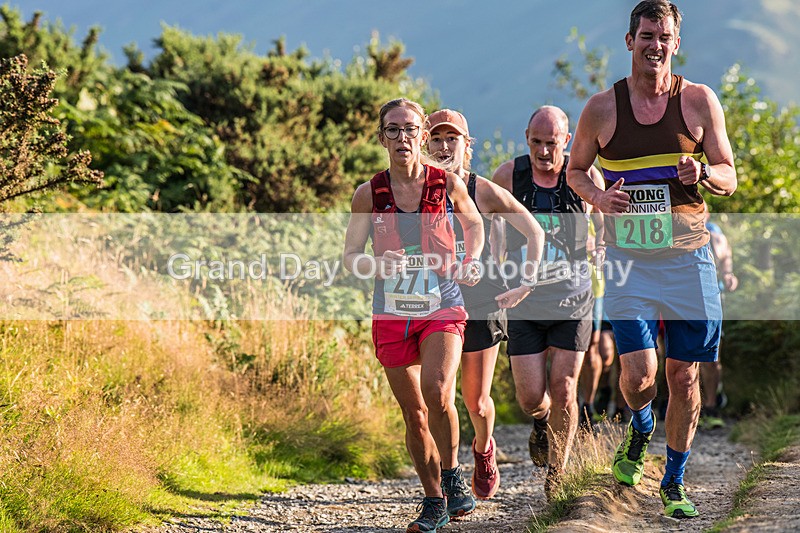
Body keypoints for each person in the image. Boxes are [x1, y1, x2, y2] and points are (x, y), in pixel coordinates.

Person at [566, 0, 737, 519]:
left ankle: (674, 480)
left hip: (689, 260)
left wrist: (702, 174)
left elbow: (729, 174)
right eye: (646, 36)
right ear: (630, 41)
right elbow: (576, 171)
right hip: (630, 262)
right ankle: (641, 427)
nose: (655, 46)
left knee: (684, 376)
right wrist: (599, 198)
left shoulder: (699, 101)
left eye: (664, 37)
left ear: (676, 43)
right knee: (640, 374)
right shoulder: (602, 108)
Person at [343, 98, 485, 532]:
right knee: (414, 413)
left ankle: (453, 473)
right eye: (393, 130)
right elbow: (351, 256)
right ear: (381, 137)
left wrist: (471, 259)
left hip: (442, 303)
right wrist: (375, 265)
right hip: (392, 311)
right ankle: (434, 500)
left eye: (409, 130)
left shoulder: (447, 183)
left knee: (437, 391)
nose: (402, 138)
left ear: (422, 136)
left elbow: (474, 224)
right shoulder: (368, 194)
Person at [426, 109, 545, 500]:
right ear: (426, 143)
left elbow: (534, 231)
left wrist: (526, 282)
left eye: (453, 139)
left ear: (467, 145)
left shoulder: (484, 191)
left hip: (481, 301)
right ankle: (446, 478)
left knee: (476, 402)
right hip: (433, 302)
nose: (444, 146)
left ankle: (483, 448)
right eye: (437, 138)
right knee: (439, 396)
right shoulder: (417, 188)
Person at [493, 105, 605, 499]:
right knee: (530, 398)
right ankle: (541, 422)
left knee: (565, 388)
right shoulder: (509, 176)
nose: (543, 151)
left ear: (567, 141)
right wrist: (495, 261)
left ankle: (558, 473)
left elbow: (603, 220)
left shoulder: (584, 175)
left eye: (552, 143)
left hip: (573, 299)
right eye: (536, 142)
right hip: (523, 300)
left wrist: (601, 247)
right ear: (527, 138)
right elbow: (491, 222)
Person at [699, 208, 737, 428]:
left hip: (710, 297)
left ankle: (711, 406)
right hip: (678, 296)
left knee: (711, 355)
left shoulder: (713, 232)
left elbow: (725, 252)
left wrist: (727, 274)